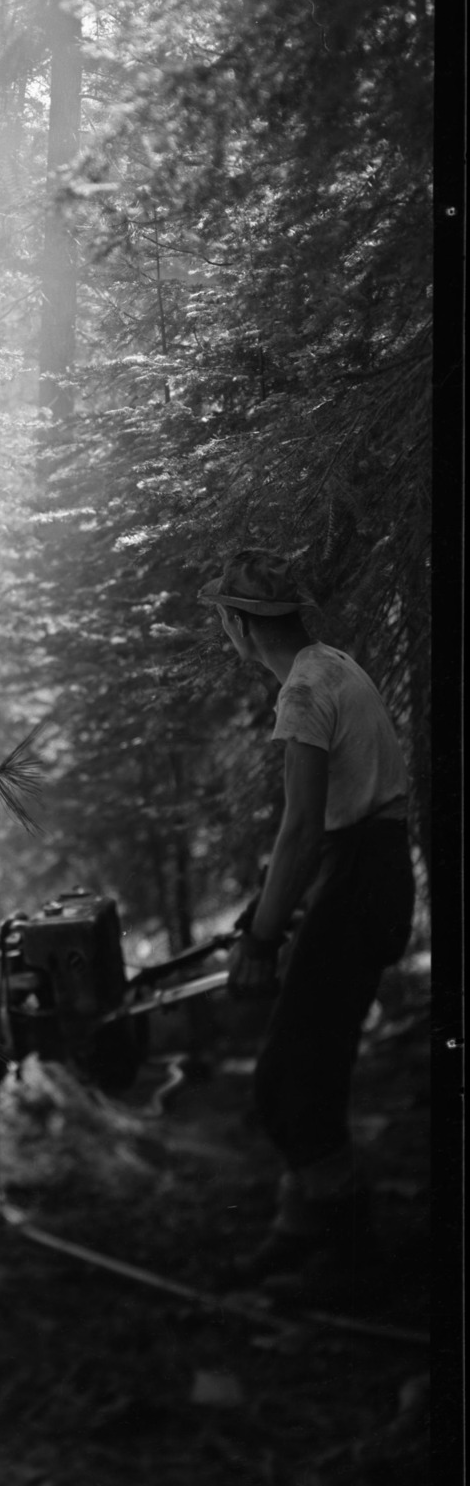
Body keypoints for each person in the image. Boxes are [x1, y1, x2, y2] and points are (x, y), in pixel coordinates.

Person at [200, 550, 414, 1300]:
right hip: (369, 875)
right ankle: (298, 1230)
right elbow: (324, 828)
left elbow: (301, 830)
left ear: (237, 624)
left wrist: (260, 938)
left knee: (288, 1085)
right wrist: (272, 907)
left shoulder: (300, 692)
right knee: (308, 1070)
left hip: (356, 880)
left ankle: (352, 1255)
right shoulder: (332, 664)